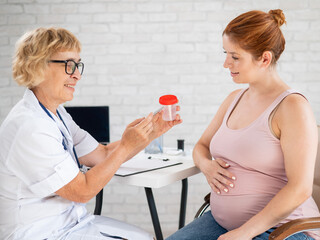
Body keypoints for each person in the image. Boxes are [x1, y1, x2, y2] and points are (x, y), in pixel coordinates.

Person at [0, 27, 182, 240]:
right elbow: (83, 190)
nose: (77, 75)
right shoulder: (30, 127)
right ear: (38, 66)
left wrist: (151, 133)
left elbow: (102, 154)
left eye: (78, 65)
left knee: (146, 237)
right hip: (41, 232)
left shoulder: (56, 114)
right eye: (69, 65)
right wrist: (125, 146)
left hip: (68, 222)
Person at [166, 9, 320, 240]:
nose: (226, 63)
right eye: (226, 53)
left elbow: (300, 189)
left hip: (281, 229)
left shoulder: (292, 107)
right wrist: (206, 166)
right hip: (221, 223)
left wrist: (243, 233)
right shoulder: (234, 99)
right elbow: (201, 146)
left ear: (265, 59)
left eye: (235, 57)